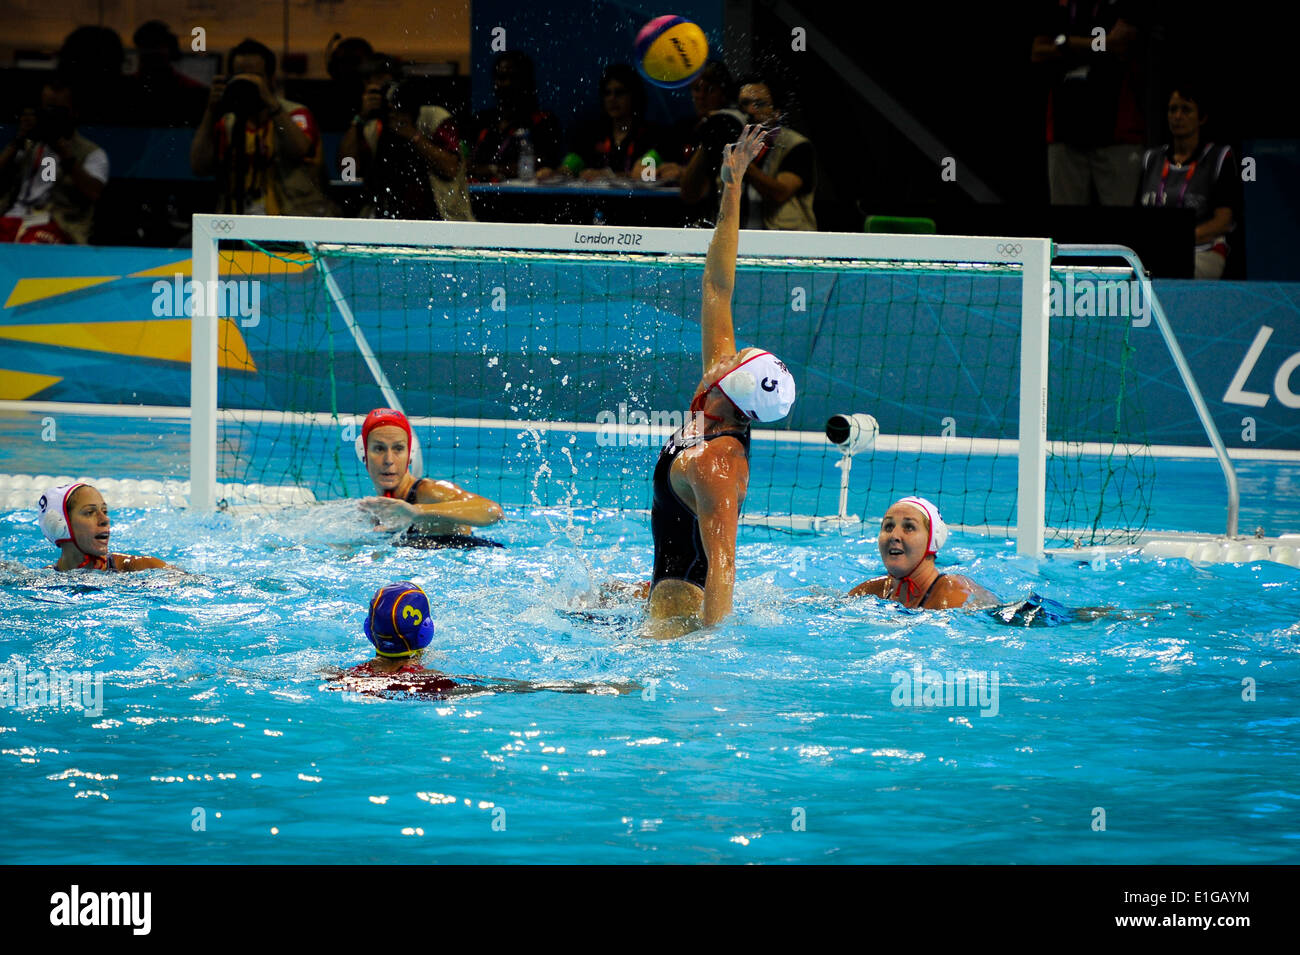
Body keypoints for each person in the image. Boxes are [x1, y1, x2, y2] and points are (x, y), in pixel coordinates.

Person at [646, 125, 797, 638]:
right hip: (665, 593)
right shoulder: (719, 401)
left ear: (730, 388)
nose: (728, 353)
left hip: (680, 618)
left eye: (737, 358)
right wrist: (732, 187)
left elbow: (724, 569)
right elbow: (717, 285)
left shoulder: (716, 463)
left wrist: (714, 664)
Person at [189, 38, 335, 216]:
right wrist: (211, 111)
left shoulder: (295, 114)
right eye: (240, 76)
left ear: (271, 79)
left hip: (292, 222)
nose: (248, 82)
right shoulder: (227, 122)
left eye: (256, 76)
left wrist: (270, 103)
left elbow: (300, 150)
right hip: (237, 222)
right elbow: (199, 167)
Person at [1031, 3, 1145, 206]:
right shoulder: (1059, 6)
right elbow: (1038, 51)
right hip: (1064, 129)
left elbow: (1119, 44)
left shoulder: (1119, 7)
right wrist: (1097, 45)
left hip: (1116, 134)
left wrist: (1065, 44)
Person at [339, 61, 473, 221]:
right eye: (375, 88)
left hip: (441, 220)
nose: (384, 93)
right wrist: (359, 119)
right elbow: (347, 171)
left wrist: (412, 135)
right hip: (387, 218)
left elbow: (451, 168)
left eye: (386, 84)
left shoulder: (434, 117)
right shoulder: (374, 127)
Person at [354, 407, 505, 547]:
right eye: (379, 449)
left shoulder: (430, 493)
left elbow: (493, 511)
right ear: (364, 454)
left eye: (398, 449)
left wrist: (416, 512)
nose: (389, 460)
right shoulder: (372, 513)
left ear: (410, 454)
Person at [1136, 84, 1241, 280]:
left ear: (1202, 118)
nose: (1177, 116)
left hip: (1202, 250)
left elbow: (1223, 221)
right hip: (1154, 252)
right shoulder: (1151, 159)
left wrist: (1178, 241)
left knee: (1173, 274)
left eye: (1186, 110)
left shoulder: (1219, 158)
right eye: (1172, 109)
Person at [0, 80, 108, 244]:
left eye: (58, 111)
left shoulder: (92, 153)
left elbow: (93, 192)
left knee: (31, 247)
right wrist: (17, 142)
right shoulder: (29, 146)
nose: (51, 116)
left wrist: (63, 153)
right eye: (46, 110)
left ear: (75, 113)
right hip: (13, 217)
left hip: (55, 223)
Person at [847, 497, 997, 609]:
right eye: (888, 526)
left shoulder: (953, 594)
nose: (894, 535)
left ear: (933, 539)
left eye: (909, 527)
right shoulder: (875, 591)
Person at [662, 60, 746, 227]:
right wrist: (648, 163)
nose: (701, 96)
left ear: (724, 93)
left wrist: (684, 172)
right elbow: (654, 157)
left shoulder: (730, 127)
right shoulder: (684, 126)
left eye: (709, 90)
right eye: (696, 89)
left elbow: (694, 191)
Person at [546, 64, 662, 182]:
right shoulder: (592, 134)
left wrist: (610, 176)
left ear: (634, 95)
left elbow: (646, 174)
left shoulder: (651, 135)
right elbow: (572, 164)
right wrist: (554, 173)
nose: (612, 98)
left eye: (619, 92)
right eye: (607, 93)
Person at [736, 74, 816, 230]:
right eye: (744, 104)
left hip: (786, 243)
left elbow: (780, 193)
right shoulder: (731, 143)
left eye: (759, 104)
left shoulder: (796, 145)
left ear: (776, 112)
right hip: (736, 241)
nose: (750, 110)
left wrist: (742, 163)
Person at [466, 51, 562, 182]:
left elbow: (541, 163)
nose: (507, 84)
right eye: (501, 77)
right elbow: (466, 163)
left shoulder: (543, 121)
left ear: (527, 82)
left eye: (514, 77)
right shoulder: (482, 119)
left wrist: (492, 170)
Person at [37, 483, 170, 572]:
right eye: (89, 512)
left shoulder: (143, 568)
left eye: (104, 511)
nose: (105, 520)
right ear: (60, 525)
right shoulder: (42, 581)